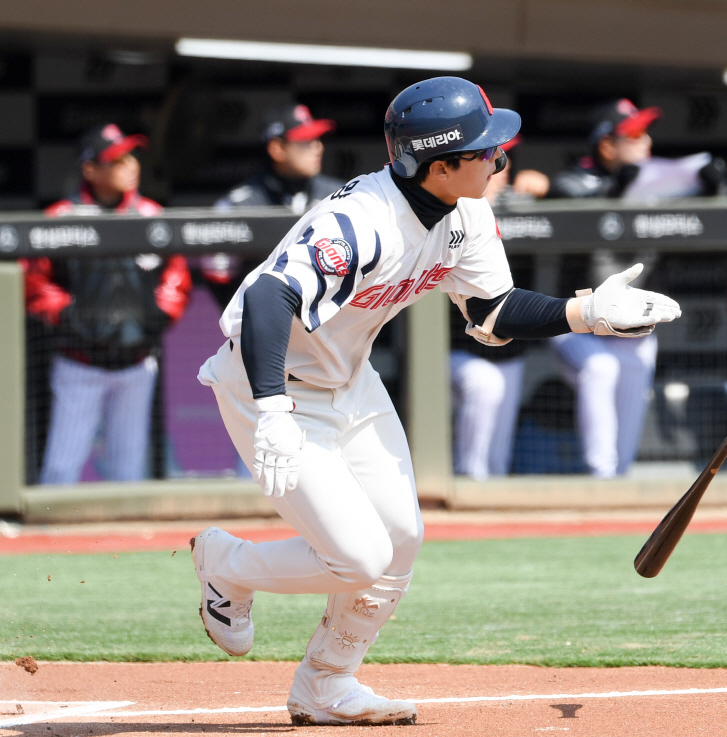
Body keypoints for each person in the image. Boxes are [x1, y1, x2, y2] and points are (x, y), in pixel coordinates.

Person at [189, 77, 680, 726]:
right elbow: (266, 297)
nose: (499, 159)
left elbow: (492, 309)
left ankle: (327, 683)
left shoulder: (466, 212)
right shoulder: (361, 220)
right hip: (271, 382)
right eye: (485, 151)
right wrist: (273, 409)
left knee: (402, 538)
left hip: (349, 379)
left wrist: (585, 313)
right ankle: (226, 564)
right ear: (439, 166)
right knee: (358, 557)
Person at [22, 124, 192, 484]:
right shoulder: (61, 217)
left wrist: (162, 312)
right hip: (78, 363)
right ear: (90, 169)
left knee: (128, 471)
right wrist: (65, 312)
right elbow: (33, 280)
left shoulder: (151, 214)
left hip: (136, 363)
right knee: (61, 469)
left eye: (131, 157)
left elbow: (176, 273)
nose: (130, 166)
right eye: (116, 160)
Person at [544, 100, 664, 477]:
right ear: (607, 146)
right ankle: (601, 475)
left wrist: (708, 186)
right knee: (601, 368)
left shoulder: (656, 186)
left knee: (631, 378)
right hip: (577, 325)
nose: (645, 142)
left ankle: (618, 479)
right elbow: (569, 201)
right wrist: (618, 189)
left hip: (633, 329)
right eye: (633, 135)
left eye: (645, 134)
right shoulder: (573, 181)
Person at [450, 138, 544, 479]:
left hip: (505, 349)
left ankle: (488, 486)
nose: (501, 166)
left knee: (498, 457)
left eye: (504, 157)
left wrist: (545, 191)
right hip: (452, 349)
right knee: (485, 384)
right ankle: (467, 478)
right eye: (490, 156)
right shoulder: (449, 207)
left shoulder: (518, 205)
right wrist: (476, 203)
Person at [201, 104, 344, 307]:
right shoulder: (239, 205)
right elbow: (218, 274)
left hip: (329, 318)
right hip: (265, 317)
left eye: (318, 139)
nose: (318, 147)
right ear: (277, 149)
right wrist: (249, 314)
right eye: (306, 141)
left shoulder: (339, 197)